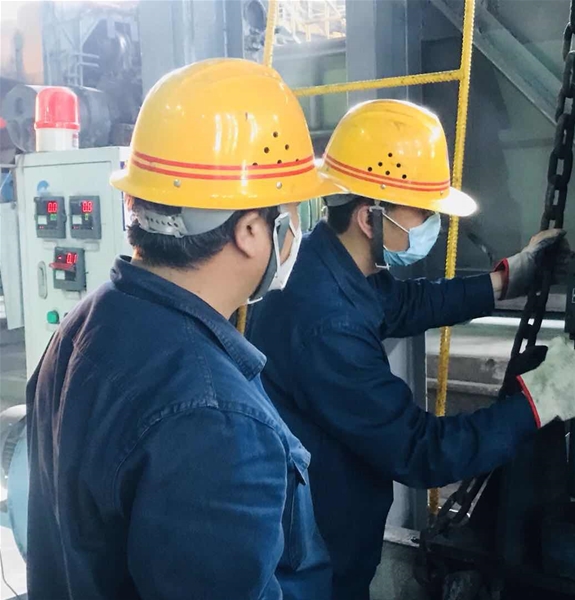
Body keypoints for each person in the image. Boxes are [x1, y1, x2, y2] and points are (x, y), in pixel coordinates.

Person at [245, 99, 575, 600]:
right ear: (369, 218)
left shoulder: (327, 260)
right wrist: (541, 399)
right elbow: (420, 451)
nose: (433, 224)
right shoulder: (325, 322)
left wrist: (505, 281)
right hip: (316, 560)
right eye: (424, 213)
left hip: (325, 529)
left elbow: (404, 303)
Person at [26, 58, 339, 600]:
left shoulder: (84, 325)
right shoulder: (216, 420)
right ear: (249, 230)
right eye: (293, 217)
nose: (297, 237)